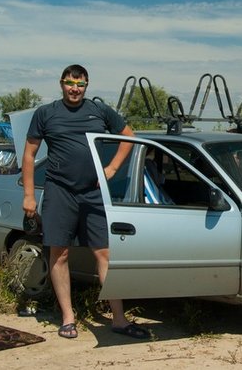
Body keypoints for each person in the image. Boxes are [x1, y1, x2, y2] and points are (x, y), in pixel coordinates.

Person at [22, 64, 149, 341]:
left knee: (104, 253)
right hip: (59, 191)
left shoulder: (99, 111)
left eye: (80, 84)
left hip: (93, 193)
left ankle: (118, 319)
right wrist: (29, 195)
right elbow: (30, 155)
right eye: (69, 83)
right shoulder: (46, 113)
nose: (74, 89)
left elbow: (129, 137)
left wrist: (112, 169)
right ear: (61, 83)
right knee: (60, 253)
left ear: (87, 85)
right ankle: (68, 318)